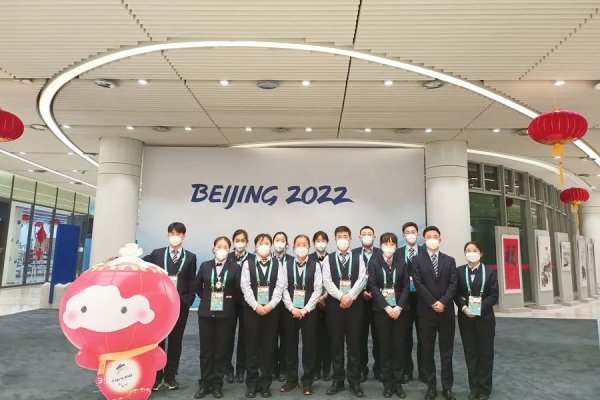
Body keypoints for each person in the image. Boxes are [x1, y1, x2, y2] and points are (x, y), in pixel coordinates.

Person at [143, 222, 197, 391]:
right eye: (172, 233)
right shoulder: (157, 254)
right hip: (160, 306)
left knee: (175, 341)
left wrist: (187, 300)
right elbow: (140, 263)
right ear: (168, 235)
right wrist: (119, 259)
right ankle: (157, 376)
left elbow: (192, 281)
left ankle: (171, 376)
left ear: (183, 236)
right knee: (158, 341)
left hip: (180, 307)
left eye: (178, 234)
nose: (175, 237)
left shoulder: (190, 257)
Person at [411, 226, 457, 400]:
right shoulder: (417, 260)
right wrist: (432, 302)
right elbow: (418, 283)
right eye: (429, 236)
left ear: (440, 239)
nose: (432, 239)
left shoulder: (449, 260)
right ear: (424, 239)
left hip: (446, 312)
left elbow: (453, 284)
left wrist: (443, 302)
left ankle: (447, 387)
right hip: (426, 312)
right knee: (427, 350)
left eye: (435, 236)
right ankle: (431, 386)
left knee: (447, 351)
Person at [322, 226, 368, 397]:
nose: (342, 239)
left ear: (350, 238)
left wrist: (350, 297)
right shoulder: (328, 259)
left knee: (354, 345)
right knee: (336, 345)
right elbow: (327, 281)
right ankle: (338, 381)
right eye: (339, 236)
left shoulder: (359, 257)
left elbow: (362, 278)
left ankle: (354, 381)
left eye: (345, 236)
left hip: (354, 306)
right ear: (335, 239)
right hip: (335, 307)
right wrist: (342, 296)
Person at [193, 237, 241, 399]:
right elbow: (197, 286)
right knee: (206, 351)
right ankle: (204, 384)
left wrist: (226, 301)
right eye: (219, 246)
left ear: (229, 250)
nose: (222, 249)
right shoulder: (205, 265)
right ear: (213, 248)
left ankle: (217, 384)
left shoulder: (235, 267)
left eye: (225, 247)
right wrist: (208, 299)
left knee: (221, 350)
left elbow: (238, 290)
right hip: (206, 314)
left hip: (226, 315)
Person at [241, 233, 287, 398]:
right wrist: (256, 305)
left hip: (271, 311)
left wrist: (270, 305)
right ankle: (251, 384)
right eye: (261, 243)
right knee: (252, 347)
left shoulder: (278, 264)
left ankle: (265, 384)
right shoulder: (247, 263)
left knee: (268, 347)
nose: (264, 246)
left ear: (271, 246)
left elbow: (280, 286)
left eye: (267, 243)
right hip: (251, 311)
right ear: (255, 246)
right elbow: (245, 286)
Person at [368, 233, 410, 398]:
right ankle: (387, 383)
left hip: (400, 310)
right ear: (381, 245)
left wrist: (399, 307)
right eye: (386, 243)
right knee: (384, 346)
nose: (389, 246)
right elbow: (373, 286)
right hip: (382, 311)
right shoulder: (374, 262)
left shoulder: (402, 262)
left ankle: (397, 383)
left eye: (392, 244)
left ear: (396, 246)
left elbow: (406, 286)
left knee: (399, 346)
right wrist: (386, 307)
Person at [280, 234, 323, 395]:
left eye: (304, 244)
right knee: (290, 345)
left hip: (309, 312)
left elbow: (318, 289)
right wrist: (292, 308)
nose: (301, 247)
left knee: (309, 346)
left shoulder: (315, 265)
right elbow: (283, 288)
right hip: (290, 312)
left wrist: (306, 309)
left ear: (309, 247)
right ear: (293, 247)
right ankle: (291, 380)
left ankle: (307, 382)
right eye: (298, 244)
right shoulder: (286, 265)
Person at [455, 241, 498, 400]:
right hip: (466, 318)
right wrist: (464, 308)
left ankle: (485, 388)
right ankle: (474, 388)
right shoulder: (459, 271)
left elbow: (494, 295)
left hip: (485, 318)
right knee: (470, 353)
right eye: (468, 250)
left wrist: (477, 309)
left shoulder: (490, 272)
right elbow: (455, 293)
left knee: (485, 353)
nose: (471, 253)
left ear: (481, 253)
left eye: (474, 250)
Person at [396, 222, 426, 383]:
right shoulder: (398, 253)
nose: (411, 234)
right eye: (407, 232)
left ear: (418, 234)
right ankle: (406, 371)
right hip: (404, 300)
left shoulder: (425, 252)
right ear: (403, 235)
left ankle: (424, 372)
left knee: (423, 337)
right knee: (405, 337)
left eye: (413, 231)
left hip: (422, 299)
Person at [225, 229, 256, 384]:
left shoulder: (253, 258)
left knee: (245, 337)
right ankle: (228, 370)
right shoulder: (227, 257)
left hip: (246, 304)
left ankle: (241, 370)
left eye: (243, 240)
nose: (240, 243)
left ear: (247, 242)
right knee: (227, 337)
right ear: (233, 241)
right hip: (228, 303)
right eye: (237, 240)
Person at [352, 226, 382, 382]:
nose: (367, 236)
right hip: (359, 301)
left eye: (370, 234)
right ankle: (361, 369)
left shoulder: (382, 253)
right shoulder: (353, 254)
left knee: (379, 337)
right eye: (364, 234)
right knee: (360, 337)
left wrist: (376, 293)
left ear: (374, 236)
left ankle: (379, 369)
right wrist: (361, 292)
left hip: (379, 302)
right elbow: (350, 277)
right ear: (359, 237)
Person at [309, 231, 331, 382]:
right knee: (314, 337)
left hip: (330, 302)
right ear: (314, 243)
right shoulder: (309, 259)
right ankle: (316, 368)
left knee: (329, 337)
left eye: (323, 240)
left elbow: (335, 280)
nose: (320, 243)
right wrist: (317, 299)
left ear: (327, 242)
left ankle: (327, 368)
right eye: (318, 240)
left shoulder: (332, 258)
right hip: (313, 303)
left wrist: (325, 297)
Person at [272, 231, 290, 383]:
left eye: (282, 240)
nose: (279, 243)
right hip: (270, 305)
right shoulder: (266, 259)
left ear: (286, 244)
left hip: (286, 306)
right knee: (270, 338)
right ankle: (272, 368)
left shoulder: (291, 260)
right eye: (277, 240)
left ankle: (284, 368)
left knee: (286, 338)